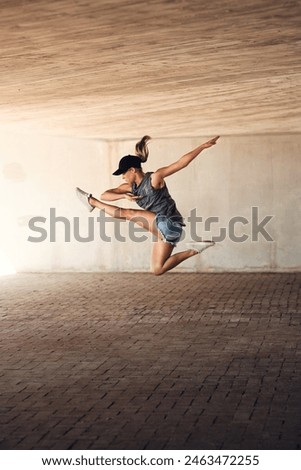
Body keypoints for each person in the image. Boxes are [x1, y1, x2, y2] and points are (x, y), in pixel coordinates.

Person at [76, 135, 220, 275]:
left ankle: (91, 202)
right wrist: (123, 195)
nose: (123, 177)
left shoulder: (154, 178)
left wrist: (201, 147)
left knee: (128, 214)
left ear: (133, 170)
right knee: (157, 269)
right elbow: (105, 195)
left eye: (124, 173)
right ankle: (195, 249)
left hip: (168, 222)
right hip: (168, 231)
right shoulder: (129, 187)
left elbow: (180, 163)